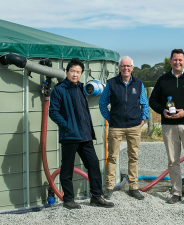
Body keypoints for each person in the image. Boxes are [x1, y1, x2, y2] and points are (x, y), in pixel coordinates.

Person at [49, 58, 114, 210]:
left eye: (78, 72)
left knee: (93, 164)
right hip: (69, 136)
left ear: (81, 74)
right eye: (72, 71)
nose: (75, 74)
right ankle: (68, 199)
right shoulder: (59, 90)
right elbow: (53, 112)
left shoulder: (81, 88)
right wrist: (67, 126)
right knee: (67, 168)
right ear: (67, 72)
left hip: (85, 136)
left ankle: (96, 196)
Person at [149, 49, 184, 208]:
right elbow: (152, 101)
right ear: (170, 61)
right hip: (169, 126)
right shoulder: (162, 80)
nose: (177, 62)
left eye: (180, 60)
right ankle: (176, 193)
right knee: (173, 161)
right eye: (175, 60)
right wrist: (163, 110)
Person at [99, 56, 149, 200]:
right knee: (112, 157)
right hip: (116, 126)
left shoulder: (139, 84)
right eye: (123, 66)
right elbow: (102, 103)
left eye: (128, 66)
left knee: (133, 157)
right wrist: (110, 118)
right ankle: (109, 188)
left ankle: (133, 187)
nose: (125, 68)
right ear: (119, 68)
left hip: (134, 126)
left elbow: (144, 103)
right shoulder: (111, 83)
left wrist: (144, 118)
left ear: (132, 68)